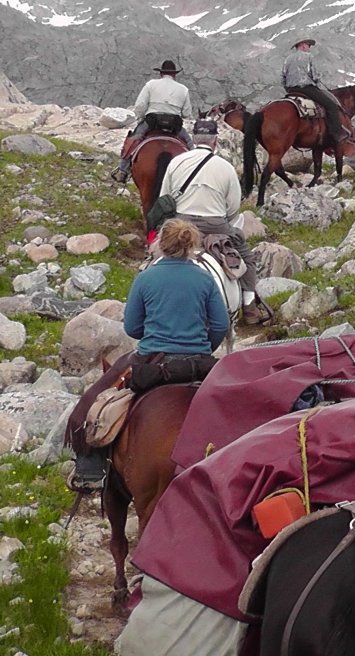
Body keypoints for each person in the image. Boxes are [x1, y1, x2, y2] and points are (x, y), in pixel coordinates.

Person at [66, 219, 230, 491]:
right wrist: (203, 349)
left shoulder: (146, 278)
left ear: (160, 244)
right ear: (190, 245)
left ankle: (90, 468)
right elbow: (221, 325)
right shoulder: (205, 279)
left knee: (93, 402)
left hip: (153, 360)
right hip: (199, 364)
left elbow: (132, 326)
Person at [160, 119, 271, 326]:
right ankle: (249, 307)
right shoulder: (226, 167)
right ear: (215, 141)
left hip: (181, 224)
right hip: (215, 225)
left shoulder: (176, 162)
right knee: (246, 258)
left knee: (154, 256)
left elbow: (165, 197)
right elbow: (233, 208)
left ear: (193, 139)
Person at [112, 59, 194, 183]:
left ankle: (122, 170)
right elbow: (187, 113)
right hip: (174, 125)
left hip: (152, 122)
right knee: (189, 143)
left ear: (161, 73)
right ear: (175, 75)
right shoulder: (183, 89)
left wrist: (139, 117)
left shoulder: (151, 84)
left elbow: (140, 106)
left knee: (133, 139)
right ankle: (196, 170)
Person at [281, 38, 347, 149]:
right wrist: (316, 81)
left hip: (291, 90)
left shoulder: (287, 59)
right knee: (331, 106)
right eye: (308, 45)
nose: (309, 48)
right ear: (302, 45)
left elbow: (282, 78)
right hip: (307, 89)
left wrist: (288, 89)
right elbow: (315, 75)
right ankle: (336, 134)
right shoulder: (309, 57)